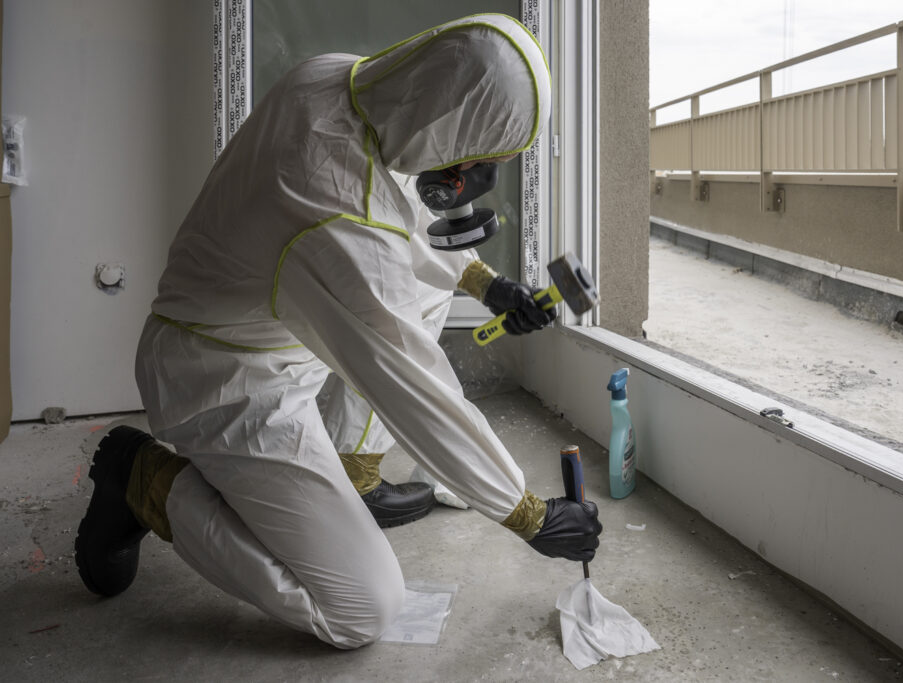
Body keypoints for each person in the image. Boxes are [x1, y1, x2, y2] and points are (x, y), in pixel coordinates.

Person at [74, 13, 602, 649]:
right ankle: (143, 481)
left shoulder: (333, 78)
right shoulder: (332, 220)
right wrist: (528, 514)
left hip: (274, 325)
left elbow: (392, 211)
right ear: (446, 126)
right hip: (220, 379)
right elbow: (414, 389)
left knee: (419, 290)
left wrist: (490, 285)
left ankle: (355, 472)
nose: (473, 181)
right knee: (361, 609)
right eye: (479, 159)